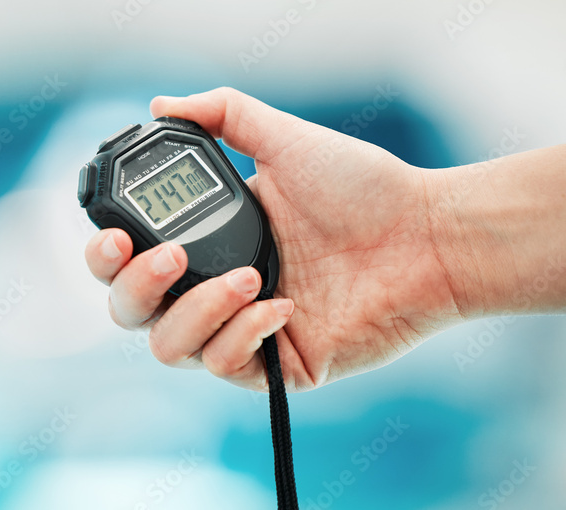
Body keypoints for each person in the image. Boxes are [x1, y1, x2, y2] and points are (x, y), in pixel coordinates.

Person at [84, 87, 566, 393]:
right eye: (170, 195)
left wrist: (431, 234)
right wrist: (429, 236)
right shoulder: (179, 140)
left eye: (179, 186)